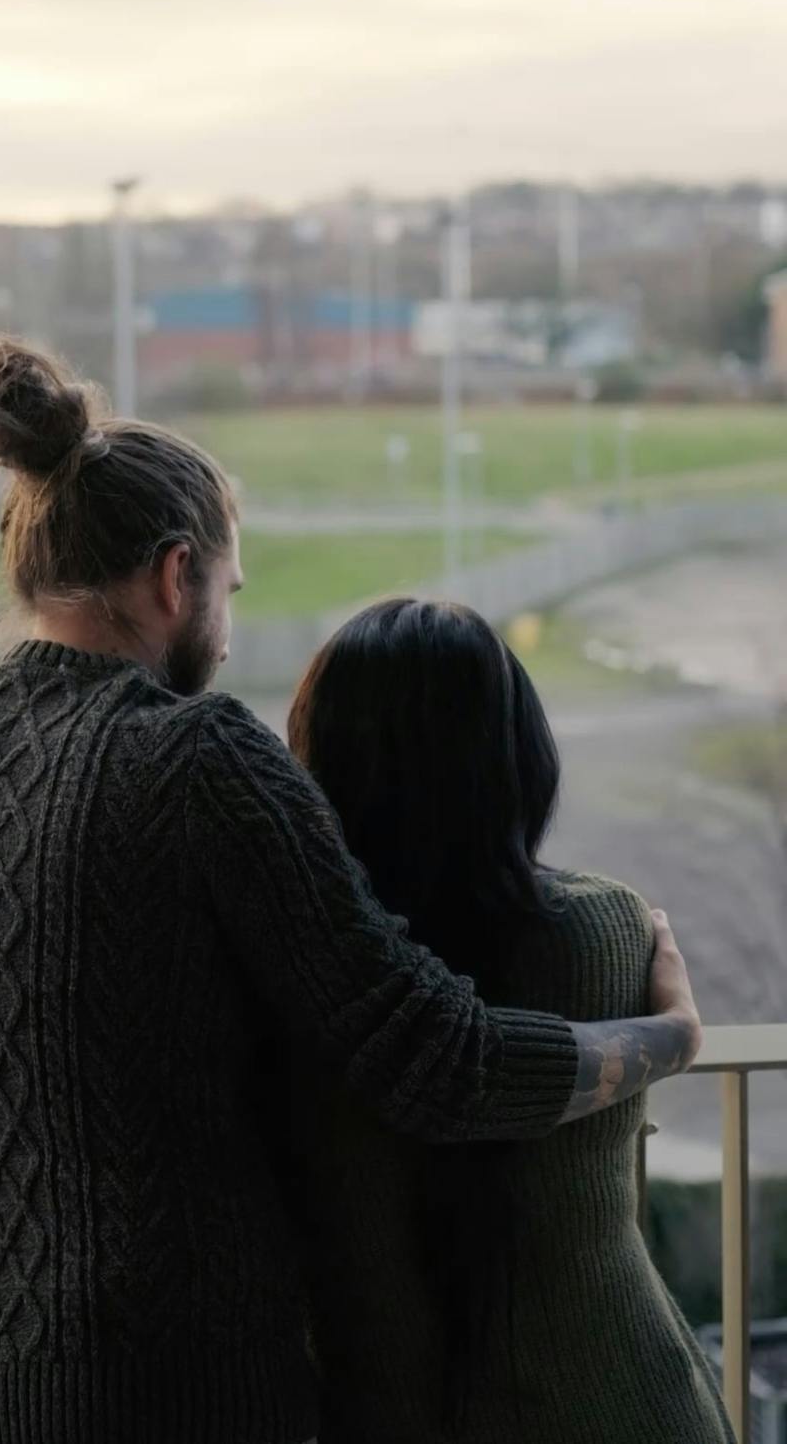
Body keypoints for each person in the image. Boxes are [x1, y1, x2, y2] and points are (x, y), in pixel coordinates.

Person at [0, 336, 701, 1444]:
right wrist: (665, 1036)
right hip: (192, 1392)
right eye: (228, 592)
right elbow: (437, 1060)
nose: (231, 635)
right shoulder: (195, 757)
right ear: (174, 573)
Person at [284, 597, 733, 1444]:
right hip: (625, 1398)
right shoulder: (607, 929)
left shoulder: (300, 966)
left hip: (390, 1409)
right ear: (516, 754)